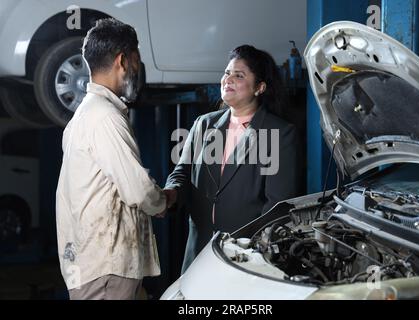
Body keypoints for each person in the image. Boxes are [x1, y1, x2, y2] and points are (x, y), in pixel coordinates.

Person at [55, 18, 167, 300]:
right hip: (107, 266)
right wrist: (166, 200)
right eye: (137, 60)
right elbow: (139, 191)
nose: (138, 68)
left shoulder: (83, 115)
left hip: (93, 263)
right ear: (123, 60)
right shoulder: (105, 117)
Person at [164, 44, 300, 272]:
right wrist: (170, 193)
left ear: (260, 87)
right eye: (227, 73)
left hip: (245, 258)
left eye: (239, 75)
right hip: (198, 252)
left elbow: (277, 207)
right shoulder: (203, 125)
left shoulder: (279, 134)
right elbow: (182, 172)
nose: (228, 79)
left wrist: (250, 249)